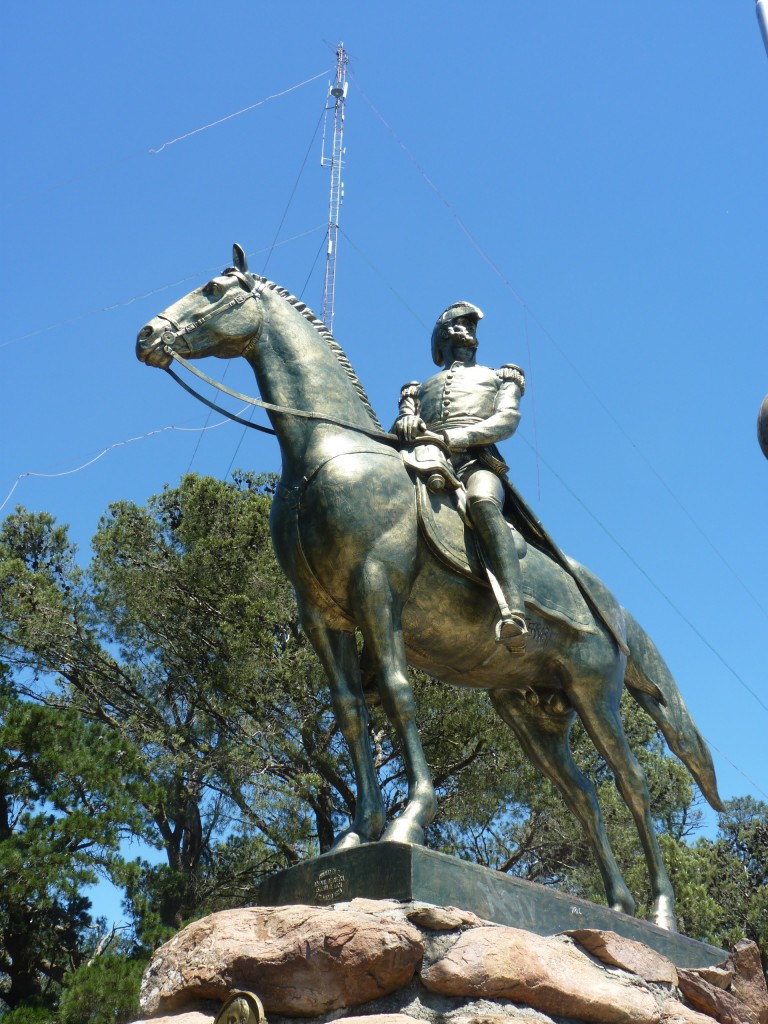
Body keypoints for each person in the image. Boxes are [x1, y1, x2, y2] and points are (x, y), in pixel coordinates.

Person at [394, 302, 528, 653]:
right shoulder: (418, 389)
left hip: (475, 462)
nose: (468, 330)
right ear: (443, 334)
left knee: (483, 502)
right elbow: (403, 423)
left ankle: (514, 610)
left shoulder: (501, 377)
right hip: (425, 458)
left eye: (471, 325)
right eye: (459, 324)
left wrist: (458, 438)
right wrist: (406, 423)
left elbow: (507, 421)